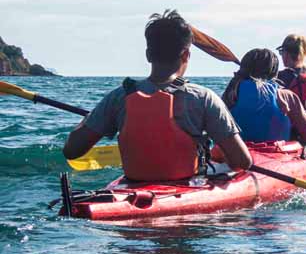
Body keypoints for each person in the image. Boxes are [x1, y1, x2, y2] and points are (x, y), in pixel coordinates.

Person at [63, 10, 252, 181]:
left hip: (134, 185)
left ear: (148, 55)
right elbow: (242, 161)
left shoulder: (118, 97)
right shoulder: (204, 98)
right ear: (186, 55)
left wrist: (92, 118)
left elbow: (72, 150)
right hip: (186, 189)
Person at [222, 48, 306, 146]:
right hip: (274, 157)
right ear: (274, 72)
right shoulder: (286, 96)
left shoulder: (230, 93)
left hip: (236, 156)